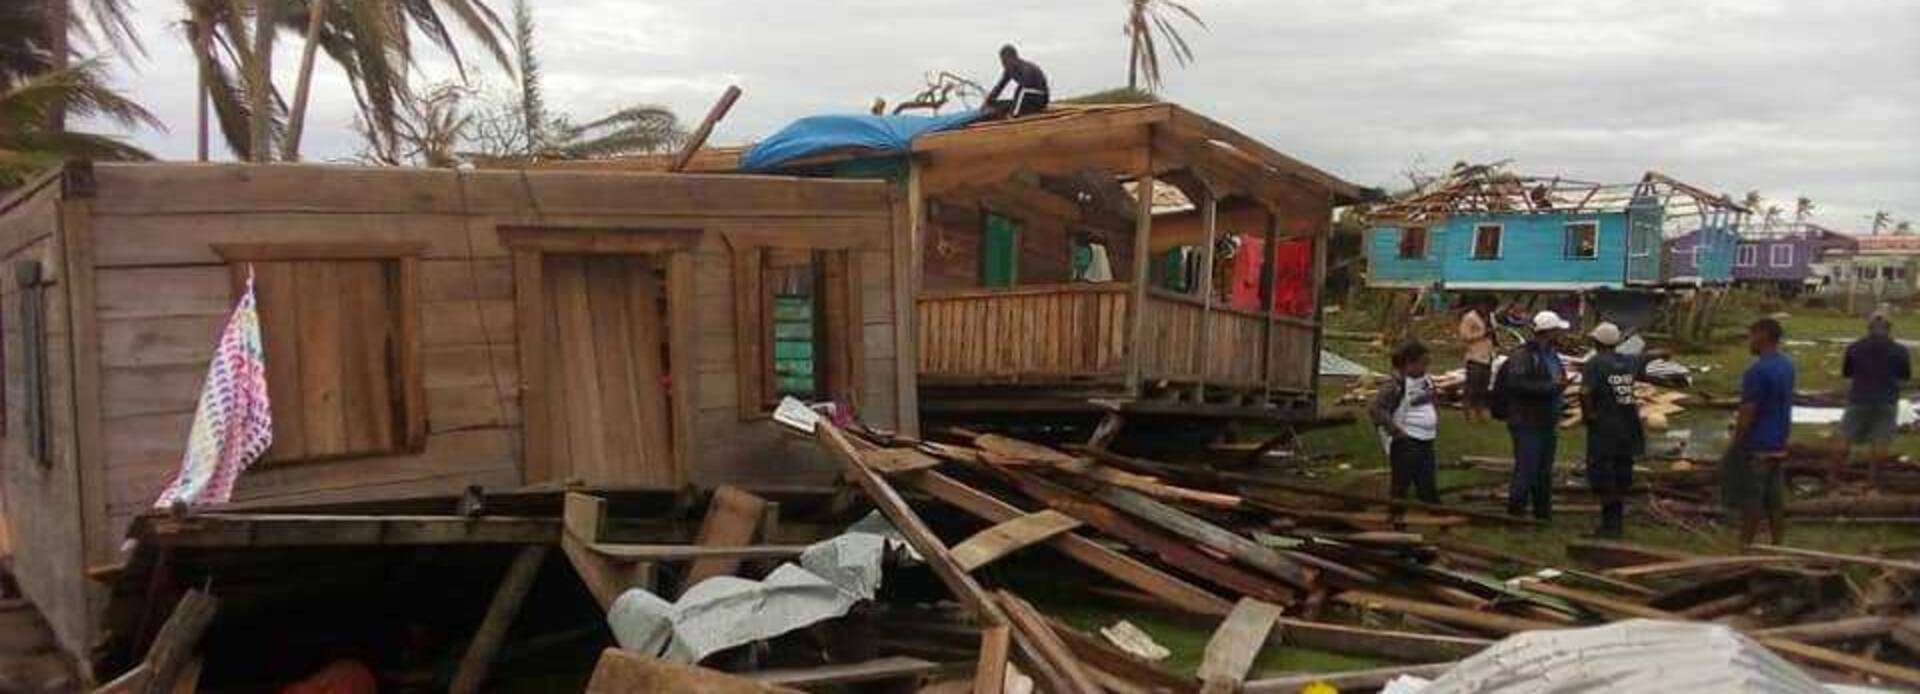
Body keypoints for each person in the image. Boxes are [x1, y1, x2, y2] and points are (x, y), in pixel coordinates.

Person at [1580, 322, 1671, 538]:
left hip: (1604, 428)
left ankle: (1609, 526)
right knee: (1621, 474)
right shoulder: (1628, 361)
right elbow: (1652, 356)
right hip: (1628, 426)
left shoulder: (1594, 364)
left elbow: (1584, 393)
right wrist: (1663, 352)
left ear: (1597, 342)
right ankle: (1615, 524)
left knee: (1602, 475)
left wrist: (1588, 416)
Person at [1726, 318, 1795, 545]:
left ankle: (1745, 546)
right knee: (1775, 501)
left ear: (1763, 335)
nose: (1750, 341)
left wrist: (1736, 444)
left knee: (1751, 501)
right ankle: (1778, 545)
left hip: (1757, 445)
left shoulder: (1756, 371)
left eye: (1752, 335)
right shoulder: (1787, 365)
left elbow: (1748, 412)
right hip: (1778, 443)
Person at [1497, 310, 1571, 521]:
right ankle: (1516, 513)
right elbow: (1516, 383)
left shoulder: (1551, 354)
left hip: (1547, 419)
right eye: (1557, 331)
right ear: (1549, 332)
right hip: (1527, 420)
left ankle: (1542, 512)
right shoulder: (1524, 355)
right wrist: (1550, 387)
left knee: (1544, 470)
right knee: (1527, 467)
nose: (1561, 334)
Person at [1369, 341, 1440, 530]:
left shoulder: (1425, 381)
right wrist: (1395, 430)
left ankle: (1440, 519)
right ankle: (1396, 522)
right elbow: (1376, 409)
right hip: (1407, 441)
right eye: (1422, 363)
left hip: (1426, 440)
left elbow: (1429, 401)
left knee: (1427, 483)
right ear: (1408, 363)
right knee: (1401, 484)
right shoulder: (1395, 385)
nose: (1425, 368)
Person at [1837, 311, 1910, 486]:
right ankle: (1872, 482)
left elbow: (1847, 373)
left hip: (1859, 398)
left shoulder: (1854, 347)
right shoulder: (1901, 350)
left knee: (1845, 437)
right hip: (1887, 400)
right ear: (1889, 329)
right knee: (1880, 441)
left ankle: (1835, 478)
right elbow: (1904, 376)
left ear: (1868, 328)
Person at [984, 45, 1050, 118]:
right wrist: (988, 101)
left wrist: (1013, 110)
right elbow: (999, 87)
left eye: (1004, 61)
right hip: (1026, 99)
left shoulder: (1026, 68)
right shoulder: (1009, 69)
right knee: (997, 104)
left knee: (1020, 90)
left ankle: (1014, 114)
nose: (1003, 64)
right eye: (1002, 62)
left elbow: (1025, 88)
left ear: (1012, 58)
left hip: (1040, 97)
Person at [1458, 297, 1496, 422]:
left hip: (1487, 356)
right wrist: (1482, 334)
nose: (1487, 309)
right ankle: (1467, 413)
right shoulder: (1469, 317)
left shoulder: (1490, 317)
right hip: (1474, 356)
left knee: (1483, 387)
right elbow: (1464, 336)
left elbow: (1494, 331)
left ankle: (1480, 412)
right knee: (1472, 387)